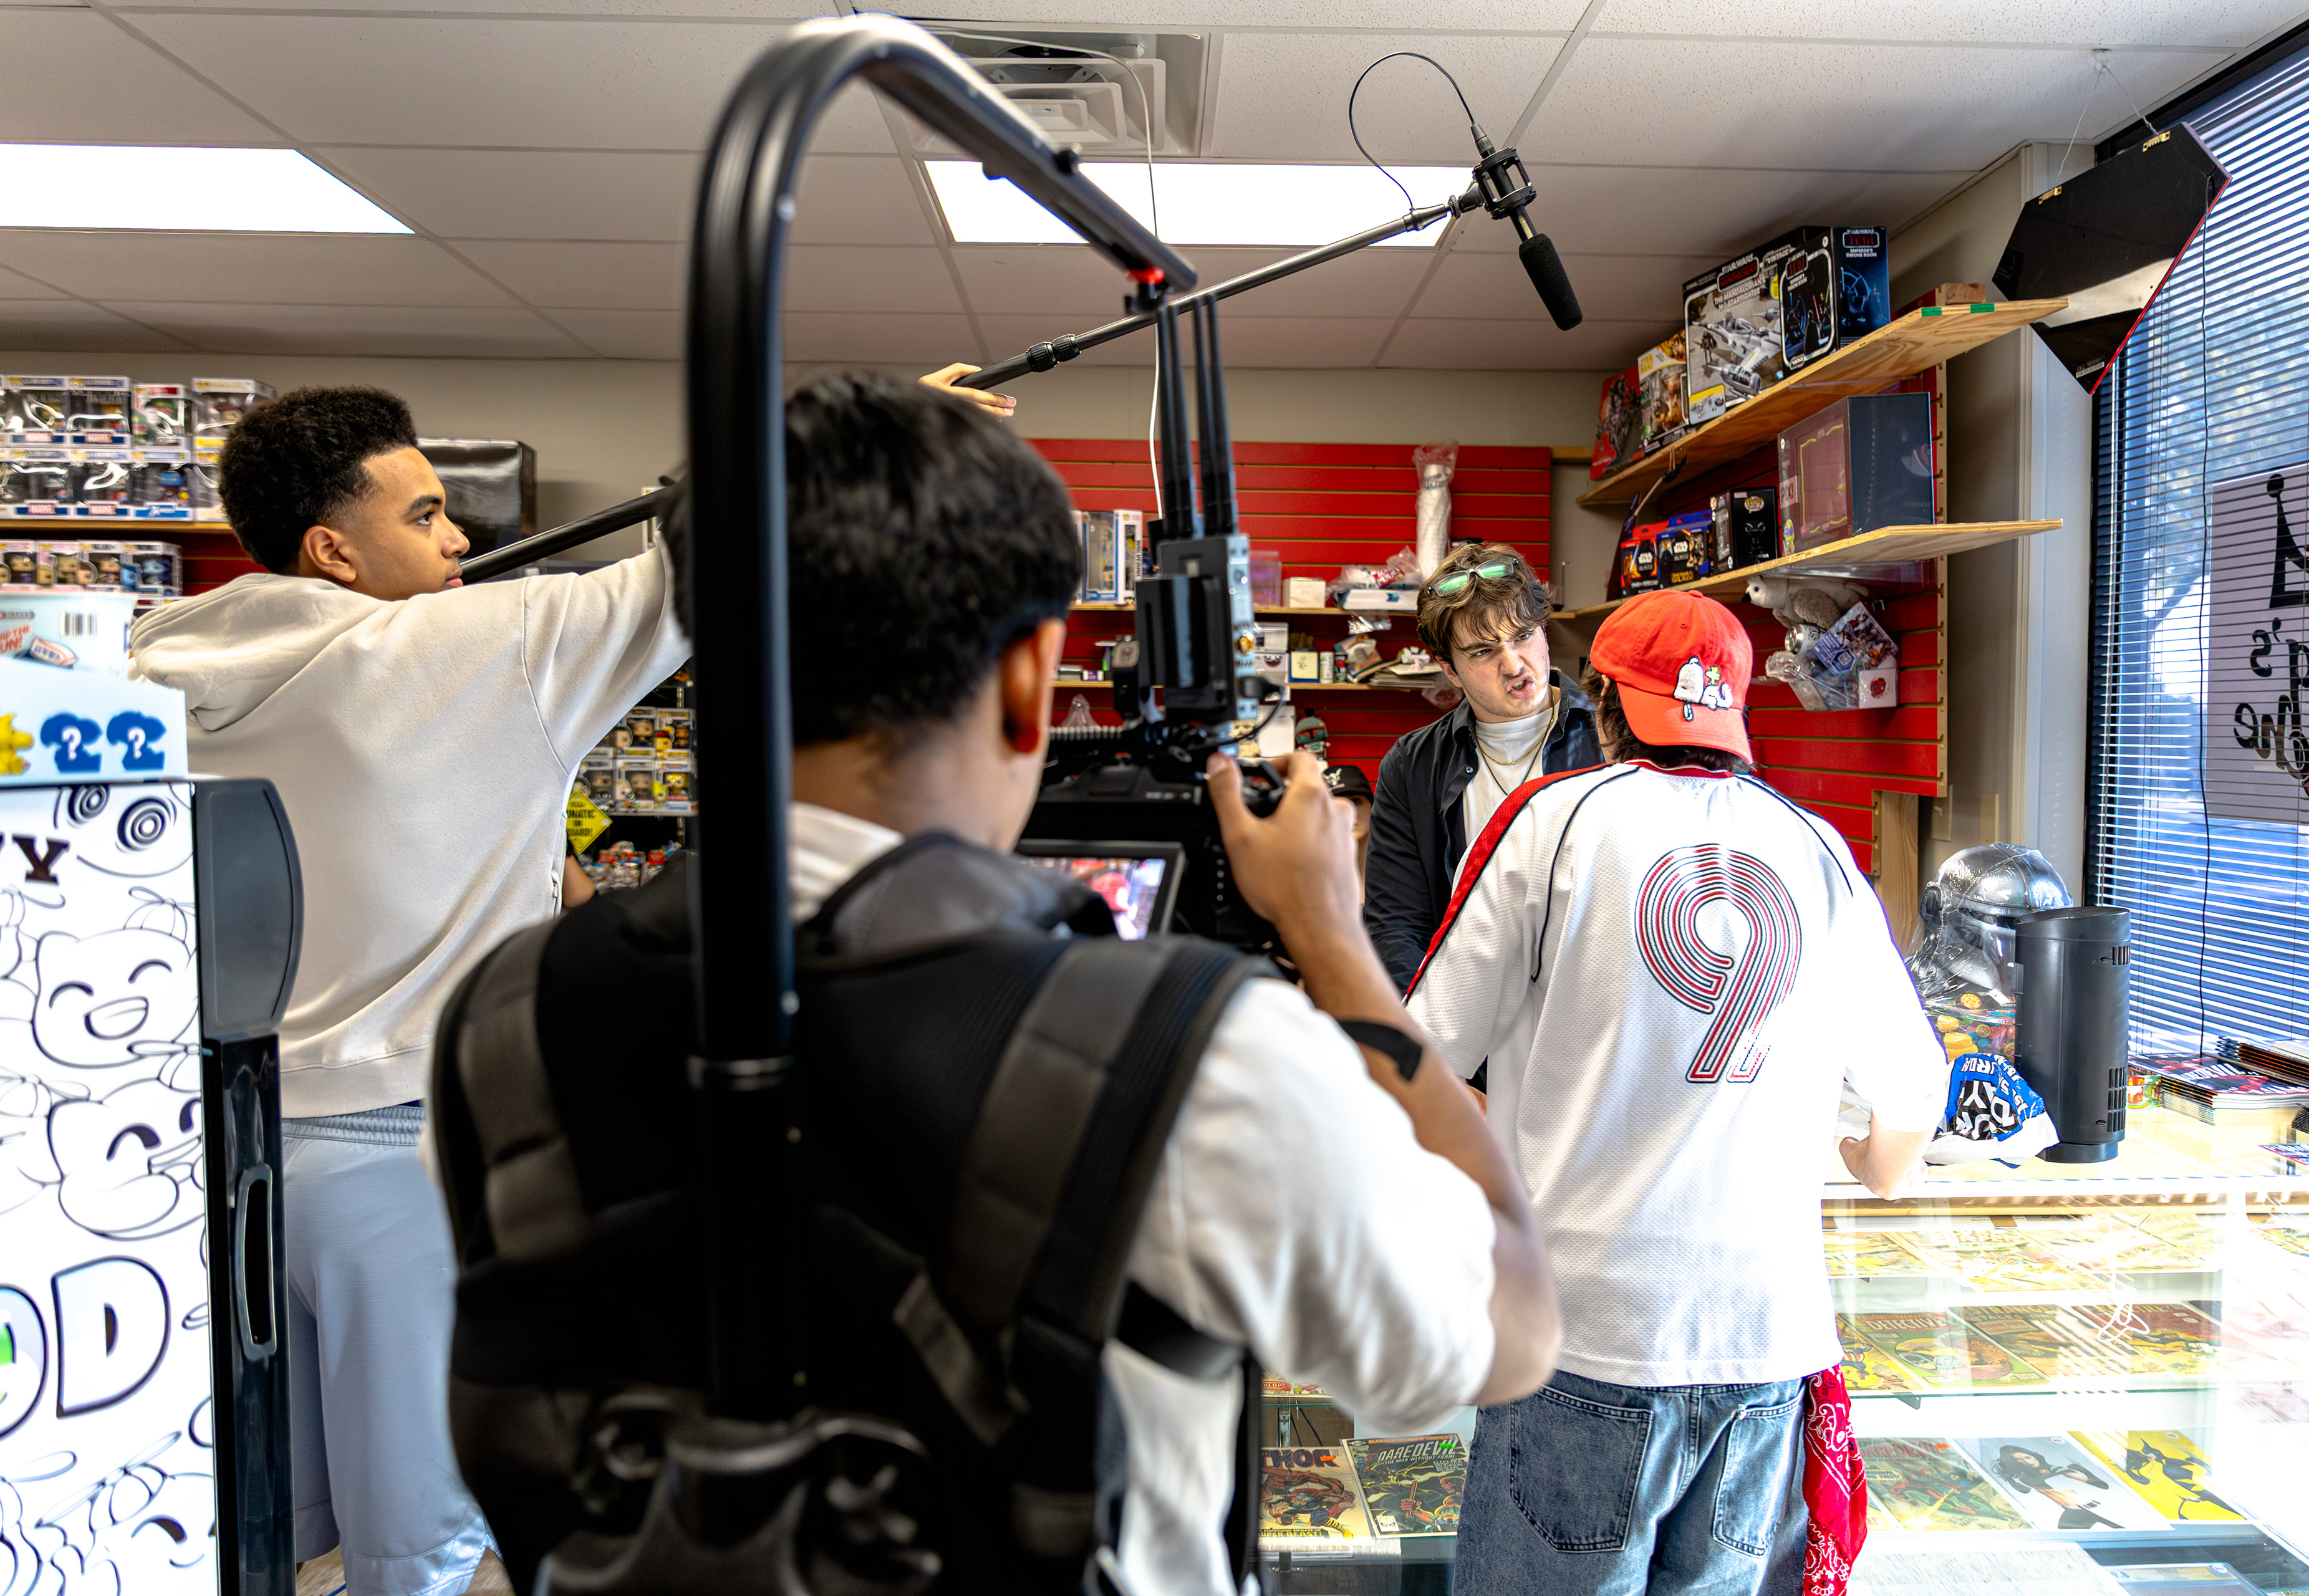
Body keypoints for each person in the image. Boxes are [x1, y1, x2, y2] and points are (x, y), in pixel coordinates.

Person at [437, 372, 1561, 1596]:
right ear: (1031, 679)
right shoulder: (1193, 1054)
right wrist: (1333, 941)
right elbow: (1509, 1329)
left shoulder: (503, 1015)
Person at [128, 387, 687, 1595]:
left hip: (223, 1152)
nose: (458, 540)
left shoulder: (154, 663)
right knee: (421, 1541)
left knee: (261, 1525)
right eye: (426, 515)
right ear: (333, 550)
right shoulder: (480, 646)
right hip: (407, 1156)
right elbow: (715, 567)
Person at [1403, 589, 1949, 1596]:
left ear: (1604, 702)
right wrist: (1863, 1160)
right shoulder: (1818, 845)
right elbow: (1912, 1101)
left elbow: (1422, 1057)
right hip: (1765, 1350)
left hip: (1585, 1334)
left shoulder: (1551, 822)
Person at [1363, 542, 1602, 991]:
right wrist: (1434, 1027)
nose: (1513, 665)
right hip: (1468, 1018)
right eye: (1482, 652)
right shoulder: (1412, 766)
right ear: (1449, 669)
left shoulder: (1611, 737)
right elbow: (1396, 925)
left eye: (1523, 636)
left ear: (1543, 631)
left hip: (1588, 1009)